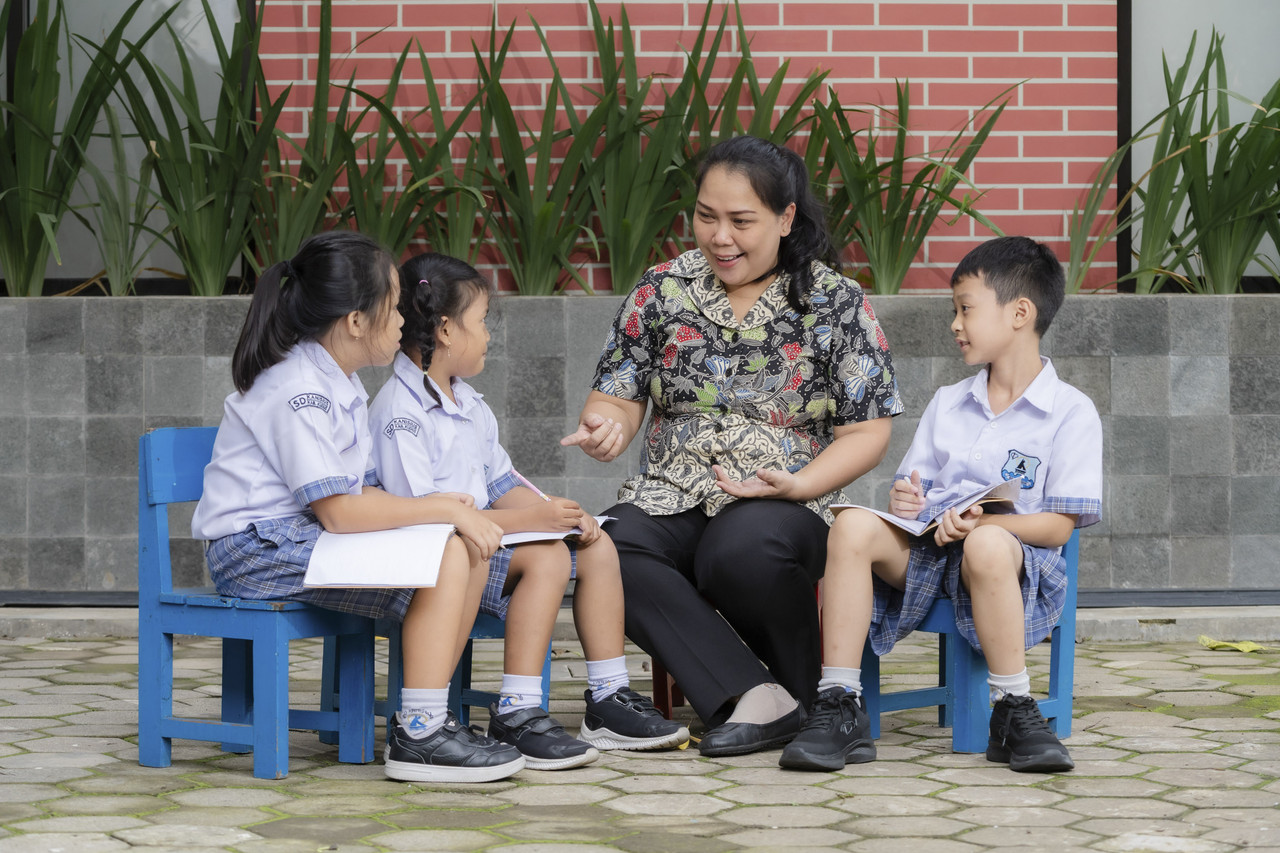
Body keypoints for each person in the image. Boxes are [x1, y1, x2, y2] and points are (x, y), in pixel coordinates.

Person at [561, 135, 903, 756]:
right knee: (601, 547)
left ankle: (793, 687)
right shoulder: (662, 290)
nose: (720, 237)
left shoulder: (834, 301)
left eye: (741, 221)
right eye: (706, 216)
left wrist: (802, 483)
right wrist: (605, 423)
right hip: (670, 490)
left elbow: (868, 430)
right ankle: (759, 696)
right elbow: (618, 391)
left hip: (788, 497)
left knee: (739, 548)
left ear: (785, 217)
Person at [190, 231, 524, 784]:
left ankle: (429, 719)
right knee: (444, 552)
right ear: (354, 321)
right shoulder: (298, 389)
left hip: (301, 538)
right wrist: (443, 512)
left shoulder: (340, 384)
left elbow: (360, 496)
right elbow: (342, 513)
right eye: (392, 306)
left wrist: (445, 507)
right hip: (254, 550)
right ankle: (419, 734)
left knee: (460, 547)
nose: (401, 320)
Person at [779, 236, 1103, 774]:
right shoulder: (949, 403)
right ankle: (840, 704)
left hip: (1013, 562)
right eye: (954, 311)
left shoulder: (1069, 411)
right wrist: (906, 500)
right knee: (853, 526)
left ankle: (1013, 709)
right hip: (932, 552)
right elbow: (913, 496)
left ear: (1020, 312)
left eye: (966, 309)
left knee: (989, 542)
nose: (955, 324)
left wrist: (991, 523)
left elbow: (1059, 526)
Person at [369, 252, 689, 770]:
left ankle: (602, 700)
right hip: (432, 562)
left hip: (477, 547)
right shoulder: (400, 413)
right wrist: (534, 524)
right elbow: (424, 516)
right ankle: (512, 711)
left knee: (594, 543)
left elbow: (502, 484)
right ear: (447, 331)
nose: (489, 335)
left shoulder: (469, 404)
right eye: (482, 323)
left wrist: (554, 514)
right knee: (546, 557)